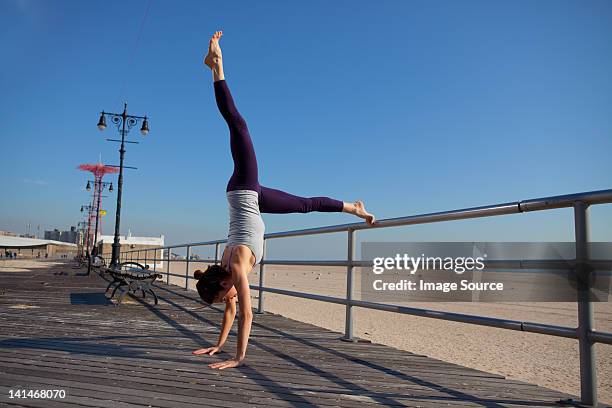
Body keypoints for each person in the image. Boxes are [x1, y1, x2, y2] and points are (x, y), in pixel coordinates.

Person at [192, 31, 375, 370]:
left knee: (239, 126)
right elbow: (234, 308)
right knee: (305, 205)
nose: (226, 300)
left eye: (221, 296)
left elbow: (246, 313)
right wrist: (217, 346)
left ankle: (216, 67)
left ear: (223, 283)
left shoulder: (233, 267)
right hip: (250, 198)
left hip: (245, 190)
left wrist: (238, 358)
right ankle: (354, 207)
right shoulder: (225, 268)